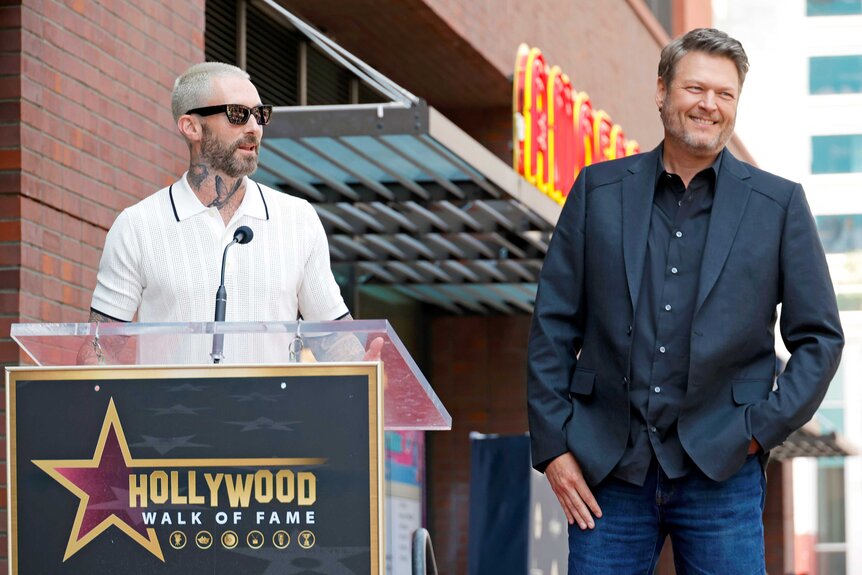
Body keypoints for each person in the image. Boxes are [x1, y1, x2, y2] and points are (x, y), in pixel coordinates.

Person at [527, 28, 844, 574]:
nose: (709, 105)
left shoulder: (779, 206)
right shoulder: (597, 191)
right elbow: (552, 327)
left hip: (722, 475)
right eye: (696, 88)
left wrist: (756, 431)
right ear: (661, 91)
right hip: (608, 474)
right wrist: (555, 447)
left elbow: (820, 340)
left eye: (725, 94)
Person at [80, 62, 369, 364]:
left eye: (260, 115)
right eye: (237, 114)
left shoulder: (298, 219)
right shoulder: (137, 225)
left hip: (272, 411)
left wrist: (367, 370)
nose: (254, 127)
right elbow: (100, 349)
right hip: (170, 411)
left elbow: (334, 339)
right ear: (191, 127)